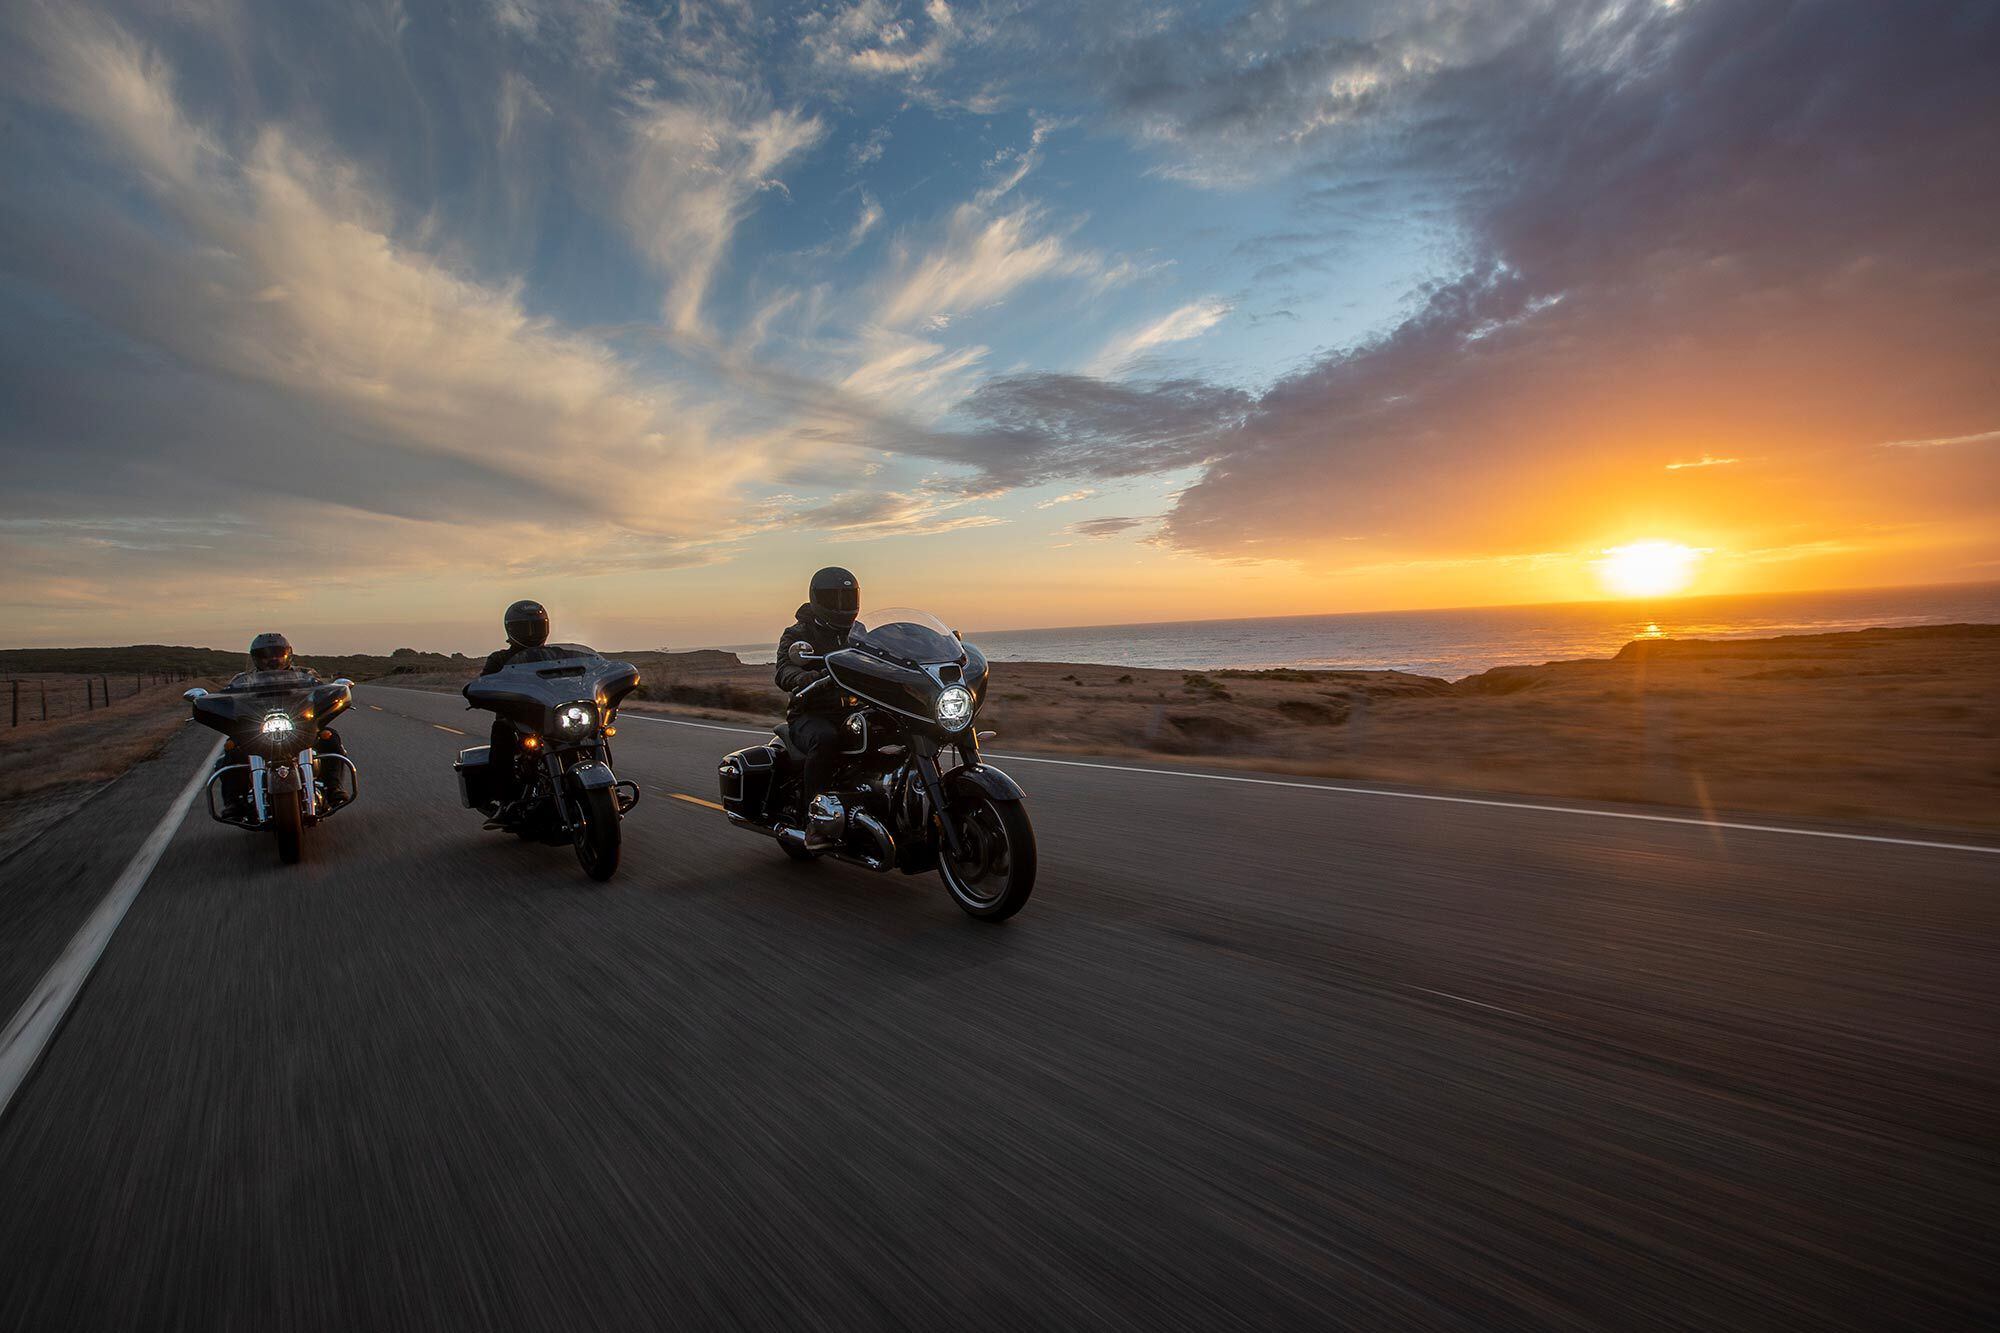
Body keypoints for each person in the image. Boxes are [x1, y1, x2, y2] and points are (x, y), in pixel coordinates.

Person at [775, 567, 860, 849]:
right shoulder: (799, 633)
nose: (840, 604)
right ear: (816, 598)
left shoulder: (860, 633)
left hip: (853, 711)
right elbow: (783, 670)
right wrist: (803, 677)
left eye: (846, 597)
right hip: (810, 713)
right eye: (832, 598)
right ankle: (816, 821)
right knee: (826, 739)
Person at [214, 632, 351, 806]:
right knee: (232, 748)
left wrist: (335, 693)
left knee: (329, 737)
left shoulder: (306, 675)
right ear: (256, 658)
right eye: (265, 655)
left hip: (300, 726)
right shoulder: (242, 680)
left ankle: (334, 788)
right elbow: (228, 699)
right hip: (257, 729)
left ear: (288, 654)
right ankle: (233, 800)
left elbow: (322, 692)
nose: (272, 659)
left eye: (278, 653)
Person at [479, 600, 567, 810]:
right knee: (502, 732)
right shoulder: (499, 659)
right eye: (524, 628)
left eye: (536, 626)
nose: (531, 632)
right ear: (511, 629)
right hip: (517, 719)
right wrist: (482, 692)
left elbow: (580, 675)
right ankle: (503, 796)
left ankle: (608, 788)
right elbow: (484, 683)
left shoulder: (557, 655)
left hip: (552, 716)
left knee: (592, 732)